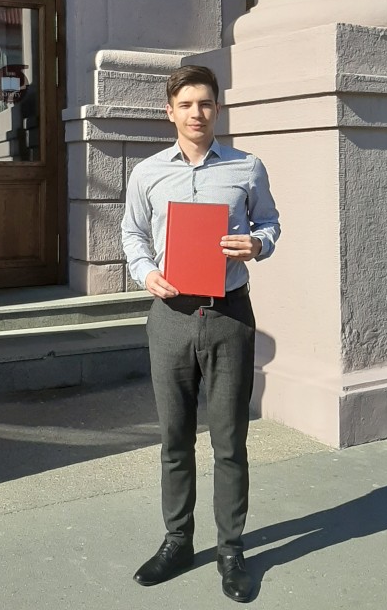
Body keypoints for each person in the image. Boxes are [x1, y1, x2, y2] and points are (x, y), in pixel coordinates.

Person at [121, 64, 280, 603]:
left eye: (205, 103)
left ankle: (231, 549)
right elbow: (133, 233)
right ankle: (178, 540)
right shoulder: (147, 173)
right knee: (174, 437)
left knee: (230, 439)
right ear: (170, 112)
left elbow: (270, 223)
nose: (196, 113)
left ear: (217, 108)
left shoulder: (246, 167)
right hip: (170, 315)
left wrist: (257, 245)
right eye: (186, 104)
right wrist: (146, 273)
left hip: (229, 315)